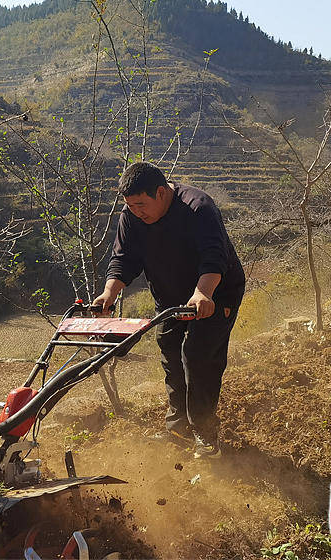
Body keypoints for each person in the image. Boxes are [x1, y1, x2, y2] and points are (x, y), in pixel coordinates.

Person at [92, 162, 245, 458]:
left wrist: (203, 293)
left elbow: (215, 257)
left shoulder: (198, 208)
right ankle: (179, 429)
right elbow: (123, 259)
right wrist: (108, 294)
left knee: (198, 355)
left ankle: (205, 433)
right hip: (171, 298)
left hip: (216, 293)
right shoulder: (131, 217)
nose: (136, 211)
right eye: (130, 205)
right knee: (171, 352)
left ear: (161, 193)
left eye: (141, 204)